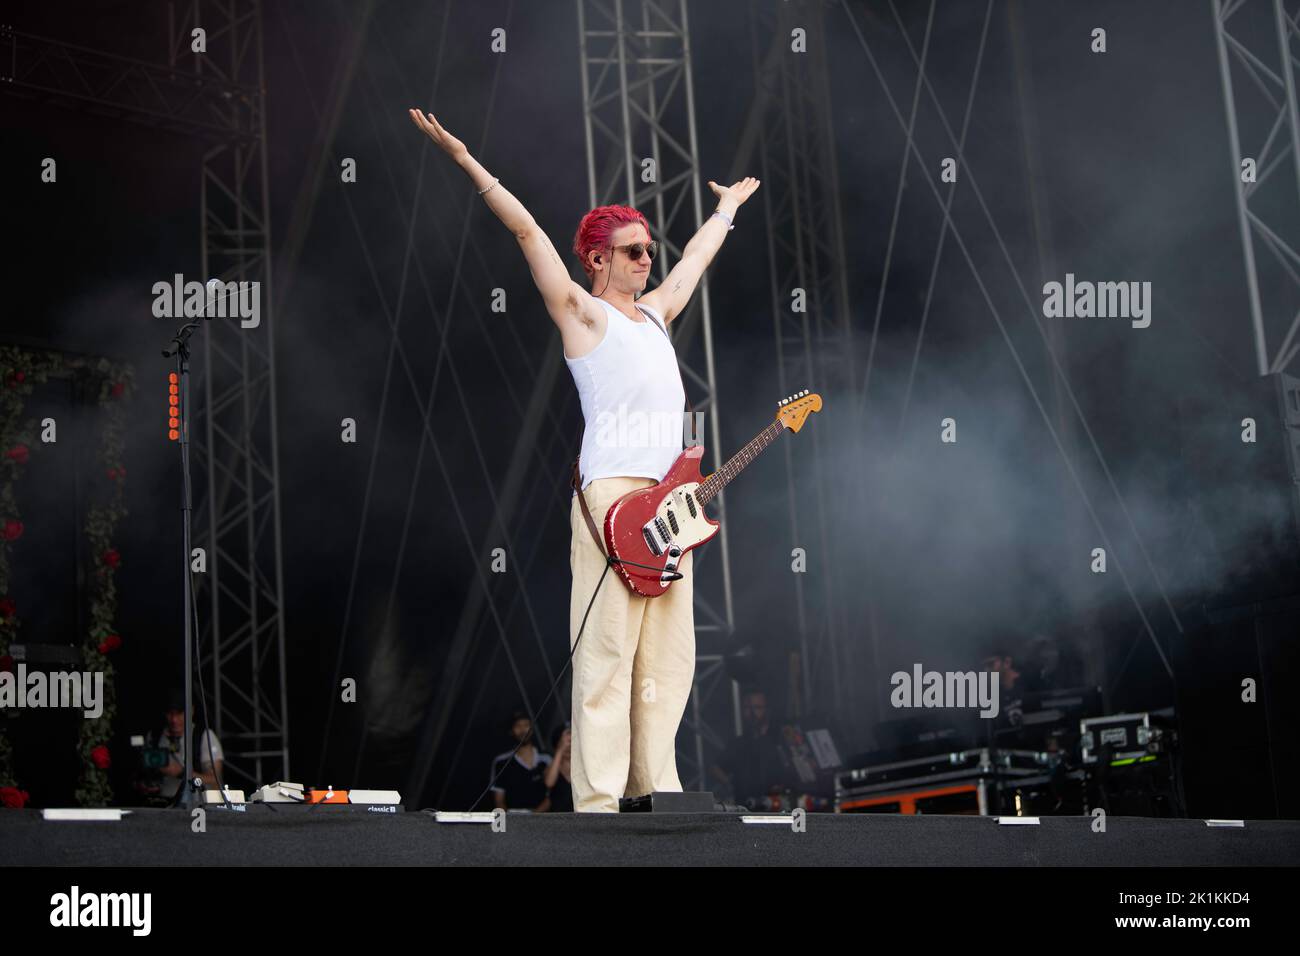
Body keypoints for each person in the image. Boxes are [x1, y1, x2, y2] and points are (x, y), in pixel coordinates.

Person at [410, 108, 759, 812]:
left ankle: (654, 786)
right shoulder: (582, 315)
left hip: (670, 501)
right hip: (609, 494)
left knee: (667, 656)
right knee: (607, 649)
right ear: (598, 259)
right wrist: (466, 159)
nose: (647, 258)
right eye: (632, 250)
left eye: (647, 248)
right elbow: (526, 231)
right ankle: (599, 801)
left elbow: (692, 262)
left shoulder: (658, 314)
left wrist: (723, 213)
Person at [145, 696, 224, 803]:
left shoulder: (204, 736)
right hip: (160, 802)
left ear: (191, 711)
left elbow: (214, 780)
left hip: (195, 803)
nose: (174, 720)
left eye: (179, 713)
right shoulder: (155, 736)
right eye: (170, 714)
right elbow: (142, 770)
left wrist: (182, 773)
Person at [489, 712, 552, 811]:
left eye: (526, 725)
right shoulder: (501, 762)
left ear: (532, 729)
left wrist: (533, 820)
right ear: (511, 730)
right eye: (518, 726)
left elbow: (552, 796)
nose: (523, 730)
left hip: (541, 819)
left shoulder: (546, 759)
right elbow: (499, 801)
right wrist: (513, 823)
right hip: (512, 818)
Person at [542, 724, 574, 812]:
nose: (569, 746)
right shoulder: (552, 766)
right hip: (557, 818)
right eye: (565, 742)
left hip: (580, 818)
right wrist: (560, 749)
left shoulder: (582, 766)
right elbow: (549, 783)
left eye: (572, 741)